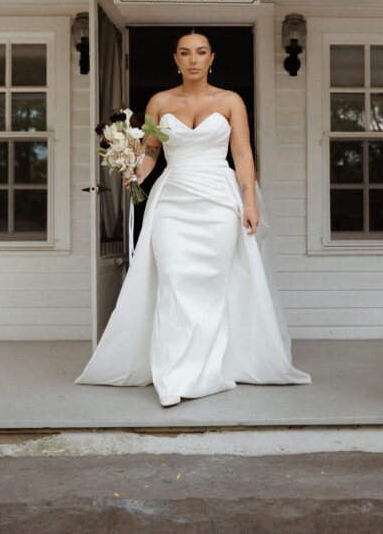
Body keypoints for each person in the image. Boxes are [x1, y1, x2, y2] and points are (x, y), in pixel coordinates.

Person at [75, 31, 310, 407]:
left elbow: (243, 155)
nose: (193, 59)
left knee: (210, 286)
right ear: (176, 59)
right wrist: (134, 170)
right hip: (173, 201)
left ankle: (207, 369)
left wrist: (250, 203)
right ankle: (172, 375)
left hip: (218, 201)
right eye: (185, 53)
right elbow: (151, 151)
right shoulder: (160, 101)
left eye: (200, 52)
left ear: (211, 57)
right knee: (173, 280)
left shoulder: (231, 100)